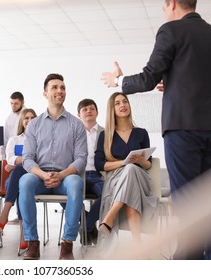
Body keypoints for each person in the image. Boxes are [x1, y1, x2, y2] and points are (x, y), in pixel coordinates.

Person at [100, 0, 211, 260]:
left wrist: (117, 80)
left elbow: (149, 77)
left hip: (183, 130)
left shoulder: (170, 30)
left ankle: (187, 264)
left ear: (171, 3)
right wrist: (173, 81)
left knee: (186, 203)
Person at [19, 73, 87, 260]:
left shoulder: (77, 125)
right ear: (45, 93)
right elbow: (27, 159)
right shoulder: (34, 125)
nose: (60, 91)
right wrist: (42, 174)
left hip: (65, 177)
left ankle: (67, 243)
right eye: (55, 87)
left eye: (62, 87)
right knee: (24, 181)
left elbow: (81, 158)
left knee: (75, 183)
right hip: (40, 177)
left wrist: (62, 174)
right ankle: (32, 243)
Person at [94, 92, 158, 256]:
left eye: (125, 101)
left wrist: (140, 161)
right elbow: (99, 164)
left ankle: (111, 215)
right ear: (112, 109)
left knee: (132, 170)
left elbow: (148, 163)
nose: (122, 105)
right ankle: (138, 245)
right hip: (116, 179)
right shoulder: (105, 135)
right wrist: (123, 163)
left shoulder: (141, 133)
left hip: (141, 177)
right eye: (117, 103)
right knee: (129, 174)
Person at [0, 108, 37, 250]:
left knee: (21, 178)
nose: (29, 120)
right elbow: (9, 158)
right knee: (20, 182)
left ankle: (5, 213)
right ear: (22, 121)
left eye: (32, 118)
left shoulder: (40, 140)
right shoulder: (14, 139)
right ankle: (24, 235)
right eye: (26, 118)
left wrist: (19, 162)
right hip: (13, 180)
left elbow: (41, 160)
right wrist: (26, 160)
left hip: (33, 177)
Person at [77, 98, 104, 245]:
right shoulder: (73, 134)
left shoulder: (106, 133)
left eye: (91, 108)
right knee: (65, 195)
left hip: (98, 175)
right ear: (79, 114)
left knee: (107, 195)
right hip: (78, 175)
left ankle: (85, 226)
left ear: (97, 112)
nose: (88, 111)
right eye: (84, 109)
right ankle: (89, 225)